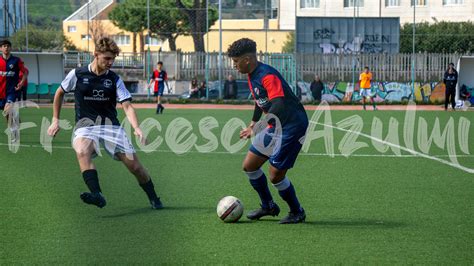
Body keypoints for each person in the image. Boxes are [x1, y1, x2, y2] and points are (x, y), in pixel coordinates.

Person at [47, 37, 163, 210]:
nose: (111, 62)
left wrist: (137, 128)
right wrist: (55, 119)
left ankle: (154, 197)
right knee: (82, 150)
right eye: (107, 58)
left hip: (111, 127)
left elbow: (127, 106)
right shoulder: (77, 74)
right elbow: (59, 93)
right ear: (96, 54)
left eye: (113, 59)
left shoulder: (114, 79)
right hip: (85, 127)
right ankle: (97, 194)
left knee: (135, 167)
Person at [228, 38, 308, 224]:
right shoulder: (251, 74)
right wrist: (253, 122)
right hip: (275, 124)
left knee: (275, 175)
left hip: (292, 126)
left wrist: (258, 128)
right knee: (249, 166)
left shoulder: (267, 75)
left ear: (247, 59)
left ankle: (297, 211)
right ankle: (268, 206)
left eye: (236, 61)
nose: (234, 66)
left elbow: (278, 104)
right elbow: (260, 101)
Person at [0, 39, 28, 142]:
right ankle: (14, 127)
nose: (6, 47)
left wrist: (21, 83)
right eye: (4, 46)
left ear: (10, 48)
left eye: (8, 46)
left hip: (11, 92)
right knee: (8, 114)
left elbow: (24, 72)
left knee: (7, 110)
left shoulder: (16, 60)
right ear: (1, 48)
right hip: (0, 92)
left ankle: (13, 132)